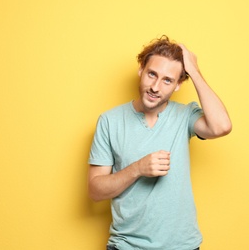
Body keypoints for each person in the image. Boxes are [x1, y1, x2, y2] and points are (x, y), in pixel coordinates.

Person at [88, 35, 232, 250]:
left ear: (178, 85)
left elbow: (221, 127)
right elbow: (95, 191)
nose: (155, 87)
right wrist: (137, 168)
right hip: (127, 246)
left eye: (167, 80)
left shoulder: (185, 116)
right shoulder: (110, 121)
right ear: (141, 70)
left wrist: (194, 71)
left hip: (182, 246)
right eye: (152, 74)